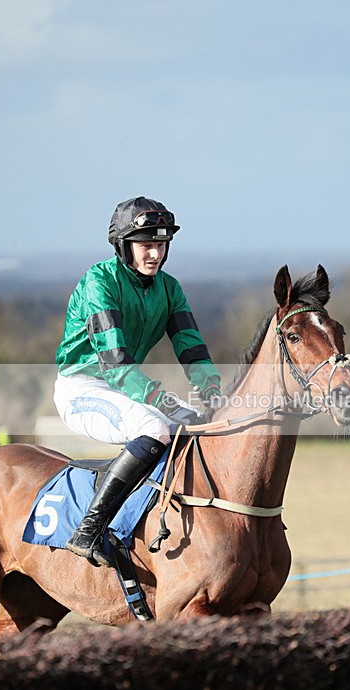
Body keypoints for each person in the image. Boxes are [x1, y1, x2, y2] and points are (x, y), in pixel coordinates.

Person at [54, 196, 221, 567]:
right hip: (82, 387)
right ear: (123, 245)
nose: (155, 254)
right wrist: (164, 400)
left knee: (198, 424)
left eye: (161, 245)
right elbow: (115, 366)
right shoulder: (99, 281)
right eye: (146, 244)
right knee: (155, 426)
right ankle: (88, 531)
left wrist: (212, 391)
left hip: (122, 389)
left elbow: (192, 350)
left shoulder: (169, 287)